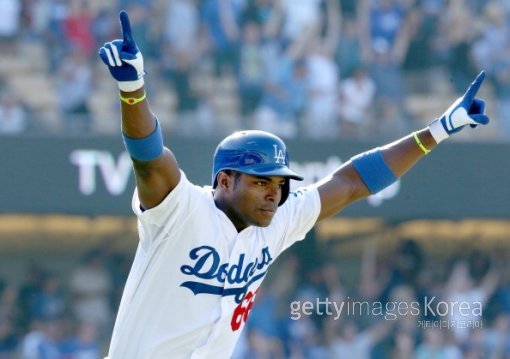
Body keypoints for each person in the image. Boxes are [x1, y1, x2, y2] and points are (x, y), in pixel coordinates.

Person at [98, 11, 489, 359]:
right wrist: (132, 90)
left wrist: (439, 130)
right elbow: (150, 163)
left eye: (280, 183)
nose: (274, 192)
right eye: (261, 181)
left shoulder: (278, 221)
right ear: (224, 180)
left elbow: (352, 182)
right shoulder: (182, 210)